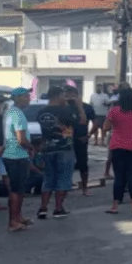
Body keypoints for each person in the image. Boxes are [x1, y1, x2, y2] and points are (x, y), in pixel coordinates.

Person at [35, 86, 84, 219]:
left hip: (47, 148)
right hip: (64, 148)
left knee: (48, 178)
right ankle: (58, 208)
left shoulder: (41, 112)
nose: (65, 98)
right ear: (58, 96)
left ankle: (43, 208)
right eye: (63, 95)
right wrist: (79, 107)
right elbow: (82, 121)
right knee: (63, 178)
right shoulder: (65, 111)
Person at [103, 86, 132, 215]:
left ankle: (115, 206)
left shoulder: (114, 111)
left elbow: (105, 127)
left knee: (119, 176)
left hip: (118, 145)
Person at [2, 88, 34, 231]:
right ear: (17, 98)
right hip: (17, 155)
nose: (29, 98)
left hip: (13, 154)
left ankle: (18, 217)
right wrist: (31, 148)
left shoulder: (11, 111)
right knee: (16, 190)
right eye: (25, 96)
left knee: (19, 189)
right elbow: (21, 139)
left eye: (28, 96)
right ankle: (13, 221)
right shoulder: (17, 114)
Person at [65, 86, 96, 197]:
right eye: (66, 94)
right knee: (66, 164)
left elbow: (95, 122)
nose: (68, 96)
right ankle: (65, 188)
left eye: (70, 94)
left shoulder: (87, 107)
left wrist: (89, 135)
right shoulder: (64, 107)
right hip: (67, 139)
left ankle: (85, 188)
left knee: (83, 164)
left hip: (81, 138)